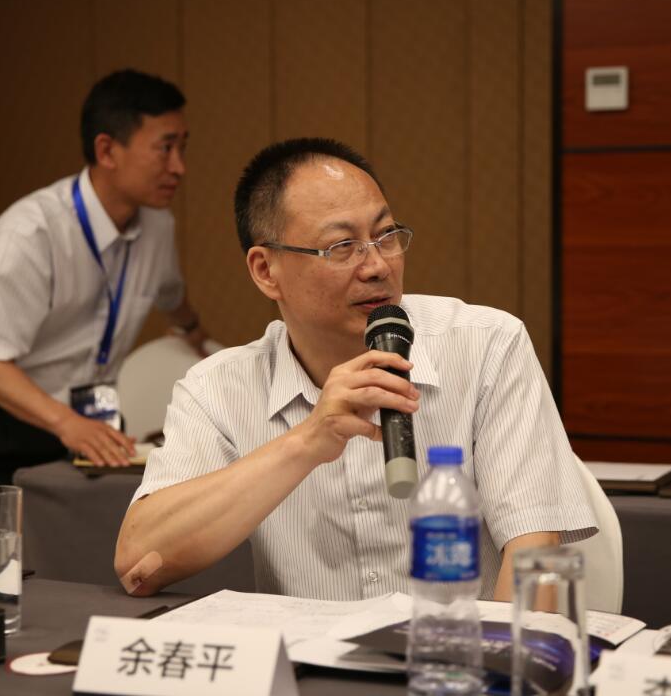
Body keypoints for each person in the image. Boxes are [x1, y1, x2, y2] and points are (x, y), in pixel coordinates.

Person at [115, 137, 595, 601]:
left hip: (454, 649)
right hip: (308, 658)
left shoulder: (486, 346)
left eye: (386, 236)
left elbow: (536, 557)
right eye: (342, 246)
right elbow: (139, 561)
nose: (377, 266)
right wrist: (306, 441)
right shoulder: (217, 388)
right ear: (265, 270)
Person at [0, 69, 210, 486]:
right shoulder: (29, 234)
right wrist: (67, 424)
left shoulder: (158, 226)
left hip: (87, 420)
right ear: (107, 150)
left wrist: (193, 333)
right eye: (165, 148)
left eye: (182, 148)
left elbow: (170, 294)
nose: (179, 167)